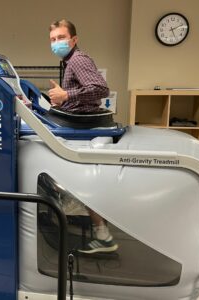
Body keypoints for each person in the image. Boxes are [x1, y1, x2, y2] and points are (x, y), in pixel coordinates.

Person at [48, 19, 118, 254]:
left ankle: (100, 232)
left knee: (86, 184)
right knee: (85, 184)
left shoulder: (77, 60)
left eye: (61, 38)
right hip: (78, 125)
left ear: (74, 39)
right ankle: (95, 226)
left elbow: (100, 89)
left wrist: (66, 95)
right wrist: (61, 99)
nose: (56, 43)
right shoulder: (70, 62)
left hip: (84, 131)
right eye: (53, 39)